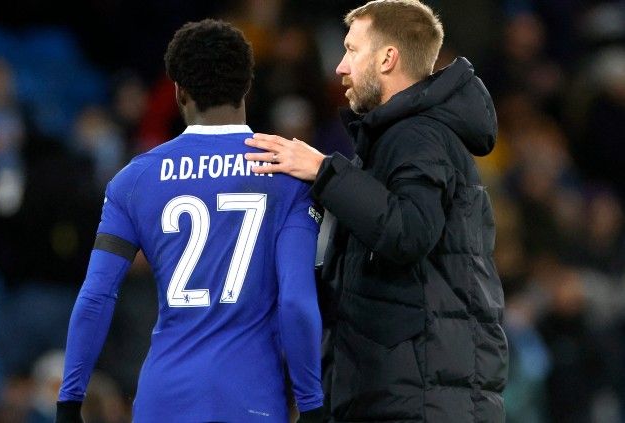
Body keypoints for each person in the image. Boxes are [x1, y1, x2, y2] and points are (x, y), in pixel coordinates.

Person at [244, 1, 508, 421]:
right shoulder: (395, 137)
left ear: (388, 58)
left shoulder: (419, 135)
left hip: (421, 399)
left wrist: (322, 170)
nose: (340, 67)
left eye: (352, 50)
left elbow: (408, 232)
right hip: (406, 390)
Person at [55, 19, 326, 423]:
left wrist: (69, 401)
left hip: (163, 398)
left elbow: (97, 295)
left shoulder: (133, 180)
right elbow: (295, 301)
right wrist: (312, 404)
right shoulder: (287, 176)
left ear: (179, 91)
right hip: (248, 397)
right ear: (246, 84)